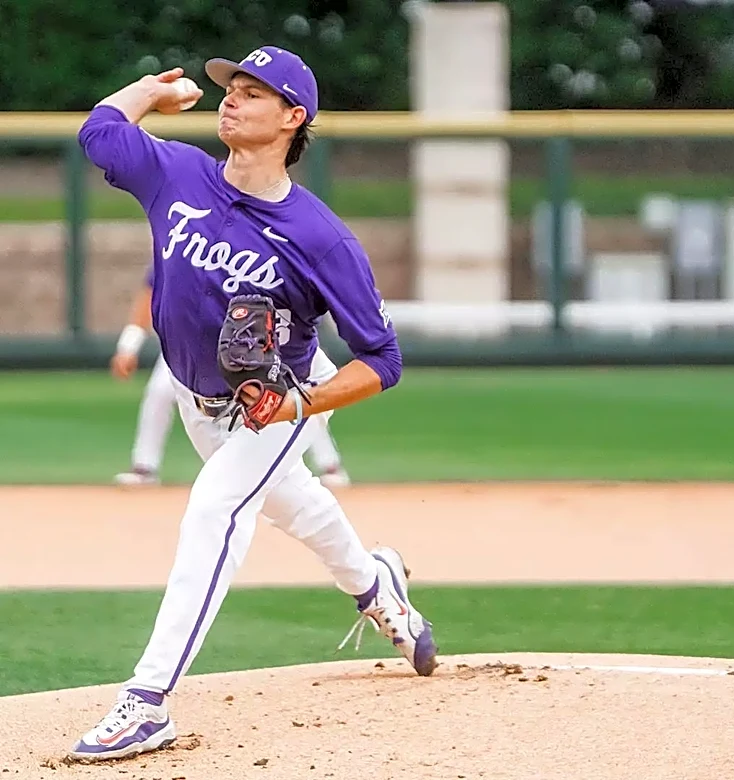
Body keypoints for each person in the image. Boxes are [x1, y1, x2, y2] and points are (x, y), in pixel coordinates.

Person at [70, 46, 438, 763]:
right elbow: (99, 132)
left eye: (254, 93)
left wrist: (301, 405)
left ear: (293, 118)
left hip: (274, 403)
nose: (231, 99)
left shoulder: (322, 238)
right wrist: (148, 88)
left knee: (217, 511)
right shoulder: (175, 172)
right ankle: (375, 583)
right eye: (230, 88)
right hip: (194, 396)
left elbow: (382, 360)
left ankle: (148, 701)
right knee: (294, 503)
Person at [112, 269, 352, 489]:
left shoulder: (251, 240)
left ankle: (329, 463)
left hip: (250, 337)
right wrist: (129, 345)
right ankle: (144, 467)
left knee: (294, 391)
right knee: (160, 391)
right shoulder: (187, 237)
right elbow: (152, 288)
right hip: (192, 340)